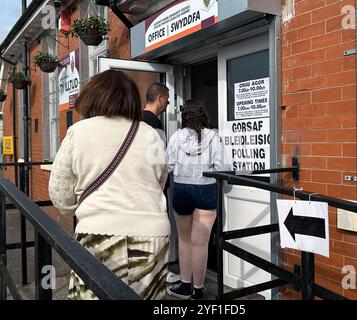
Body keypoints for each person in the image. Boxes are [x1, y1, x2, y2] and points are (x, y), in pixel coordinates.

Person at [48, 70, 170, 300]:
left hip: (98, 233)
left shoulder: (78, 132)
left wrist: (78, 207)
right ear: (132, 99)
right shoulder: (151, 134)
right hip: (153, 235)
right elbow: (160, 180)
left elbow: (60, 192)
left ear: (92, 97)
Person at [166, 99, 229, 300]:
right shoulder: (214, 136)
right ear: (204, 115)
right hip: (206, 188)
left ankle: (185, 286)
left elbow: (167, 165)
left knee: (184, 240)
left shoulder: (176, 137)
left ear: (185, 116)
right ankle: (198, 291)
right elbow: (223, 168)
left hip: (182, 189)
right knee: (200, 243)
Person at [143, 82, 181, 286]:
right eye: (167, 99)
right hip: (153, 191)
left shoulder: (136, 121)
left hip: (140, 189)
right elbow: (159, 164)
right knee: (158, 234)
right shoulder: (154, 126)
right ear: (159, 98)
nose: (168, 103)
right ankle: (160, 274)